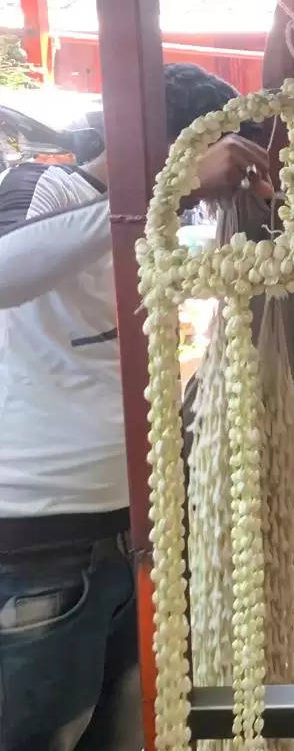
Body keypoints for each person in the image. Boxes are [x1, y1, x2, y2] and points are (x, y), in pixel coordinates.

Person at [0, 65, 272, 751]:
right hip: (41, 553)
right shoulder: (44, 186)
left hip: (128, 543)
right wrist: (174, 184)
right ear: (160, 143)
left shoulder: (147, 219)